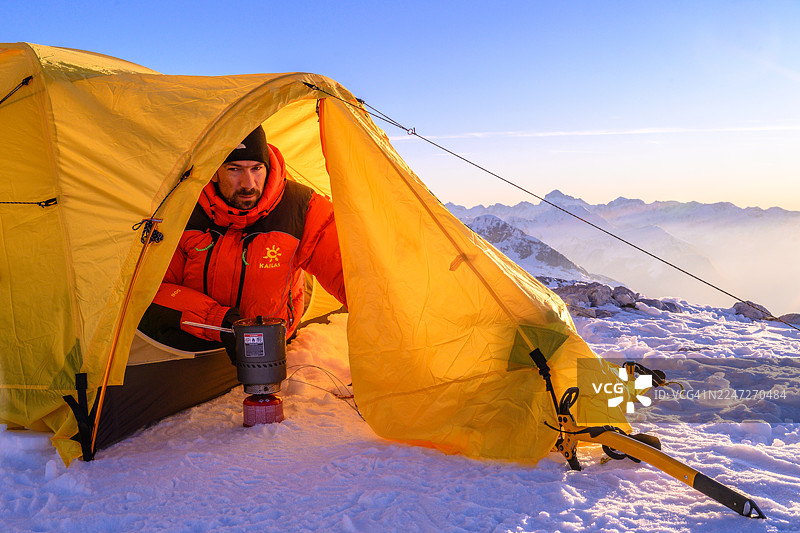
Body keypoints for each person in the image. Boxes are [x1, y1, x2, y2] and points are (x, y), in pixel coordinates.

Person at [139, 126, 347, 357]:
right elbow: (149, 290)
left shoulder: (302, 208)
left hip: (273, 344)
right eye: (235, 169)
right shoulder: (184, 209)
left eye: (257, 169)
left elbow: (353, 276)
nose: (249, 183)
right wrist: (219, 322)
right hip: (191, 344)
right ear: (215, 171)